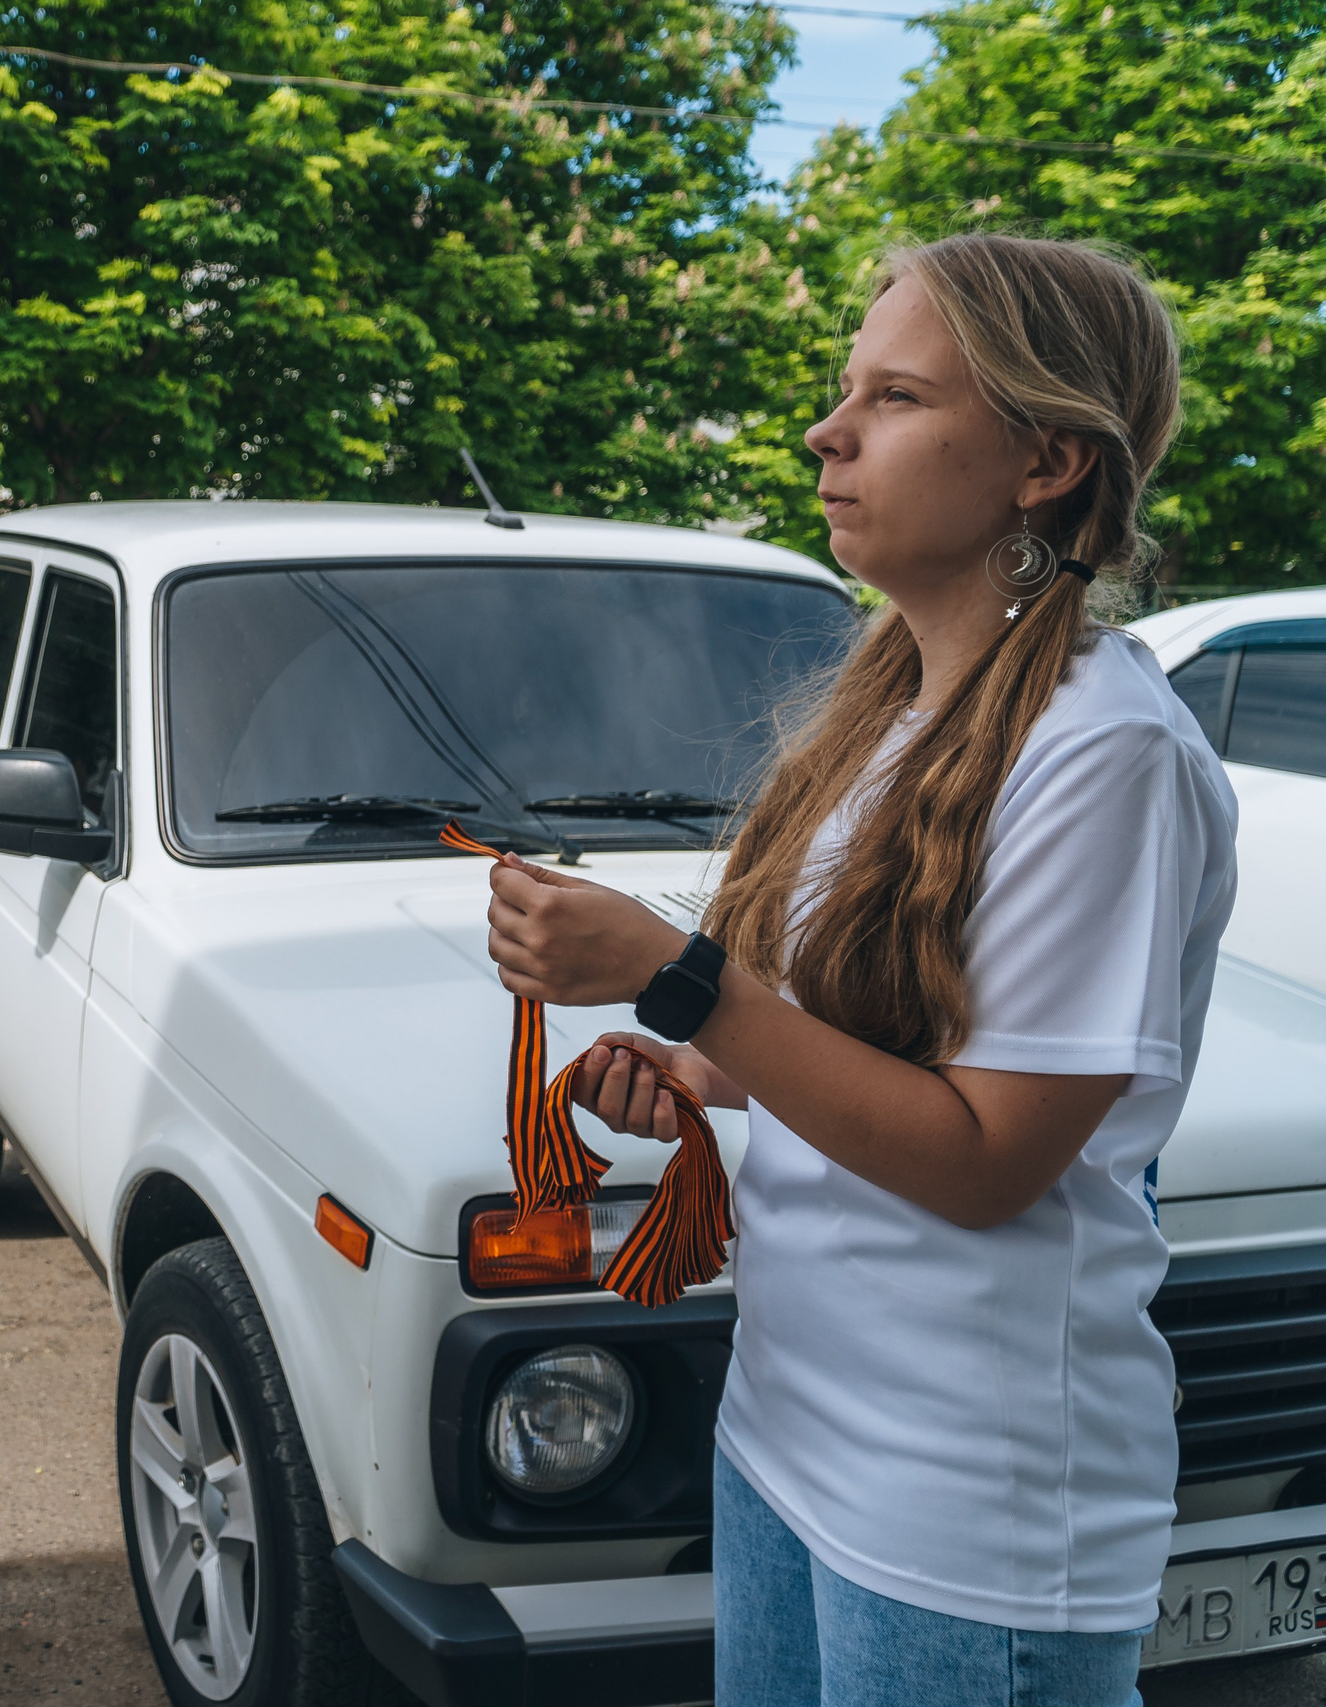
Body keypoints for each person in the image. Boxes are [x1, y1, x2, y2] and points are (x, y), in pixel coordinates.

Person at [481, 232, 1233, 1706]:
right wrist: (692, 1066)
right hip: (792, 1434)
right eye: (846, 392)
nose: (828, 432)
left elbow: (982, 1163)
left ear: (1046, 463)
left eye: (893, 398)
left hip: (968, 1520)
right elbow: (864, 1050)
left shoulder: (1107, 751)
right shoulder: (898, 713)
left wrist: (680, 981)